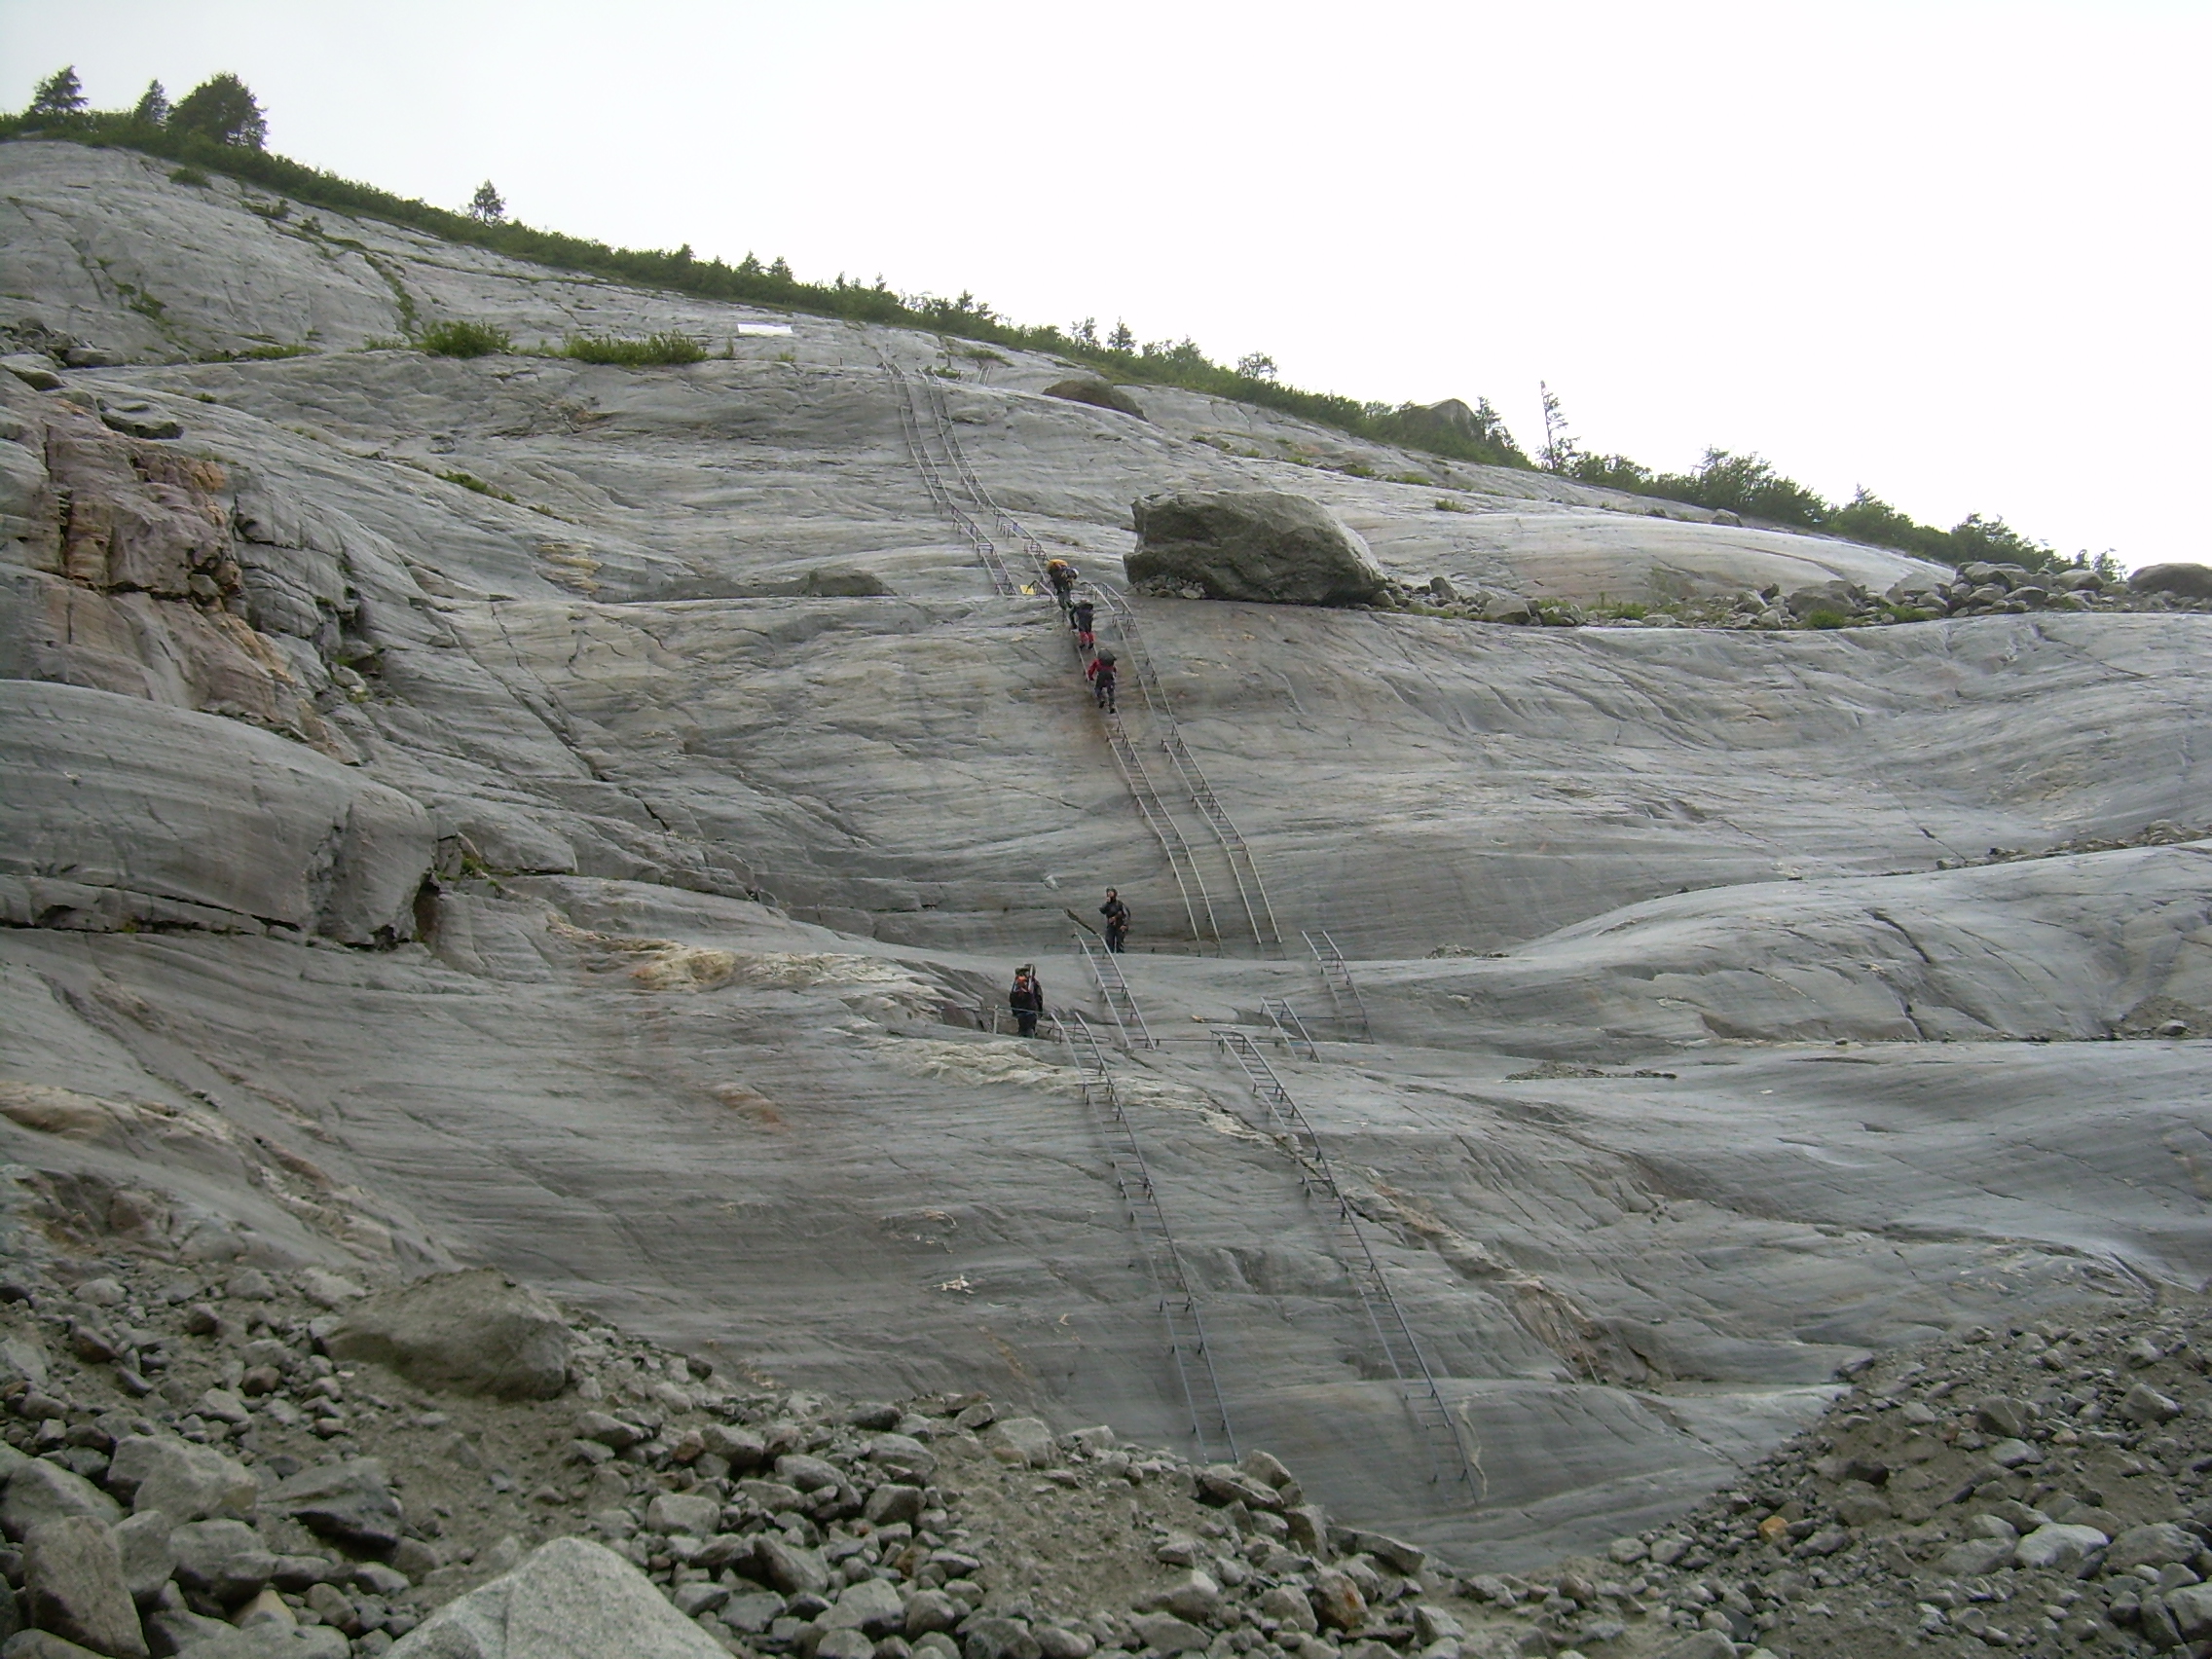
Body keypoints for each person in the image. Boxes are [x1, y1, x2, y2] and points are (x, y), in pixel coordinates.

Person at [1009, 964, 1044, 1037]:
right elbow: (1039, 997)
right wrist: (1040, 1011)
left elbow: (1012, 996)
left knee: (1022, 1028)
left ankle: (1021, 1038)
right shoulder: (1033, 983)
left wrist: (1014, 1010)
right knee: (1030, 1029)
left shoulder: (1017, 983)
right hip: (1031, 1010)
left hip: (1019, 1010)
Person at [1099, 889, 1130, 953]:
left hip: (1119, 924)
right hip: (1111, 924)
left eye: (1111, 892)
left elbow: (1126, 914)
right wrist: (1107, 903)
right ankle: (1110, 954)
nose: (1109, 894)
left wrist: (1125, 924)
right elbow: (1102, 910)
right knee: (1109, 940)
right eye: (1108, 892)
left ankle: (1120, 955)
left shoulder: (1119, 904)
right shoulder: (1108, 905)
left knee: (1119, 941)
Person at [1087, 648, 1118, 712]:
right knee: (1111, 691)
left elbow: (1091, 670)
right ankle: (1111, 705)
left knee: (1098, 688)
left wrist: (1090, 677)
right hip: (1110, 675)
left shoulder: (1097, 661)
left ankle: (1101, 699)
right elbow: (1114, 670)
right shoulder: (1110, 663)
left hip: (1101, 676)